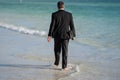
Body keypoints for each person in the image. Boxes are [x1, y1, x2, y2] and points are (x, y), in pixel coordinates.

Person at [47, 1, 76, 70]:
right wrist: (73, 35)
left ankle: (56, 63)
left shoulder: (54, 14)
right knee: (65, 51)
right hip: (66, 36)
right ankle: (64, 67)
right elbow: (72, 26)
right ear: (64, 6)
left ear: (57, 6)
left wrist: (49, 35)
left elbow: (52, 25)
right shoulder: (69, 14)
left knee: (57, 50)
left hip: (57, 35)